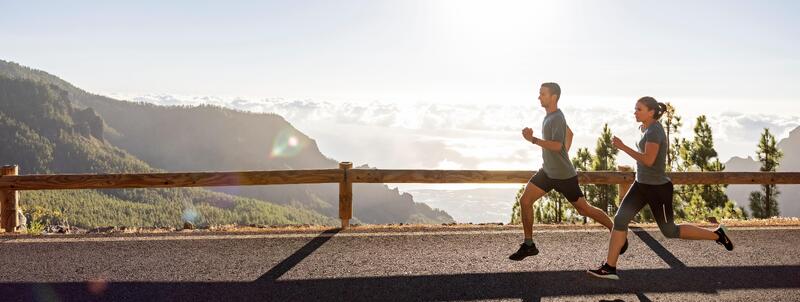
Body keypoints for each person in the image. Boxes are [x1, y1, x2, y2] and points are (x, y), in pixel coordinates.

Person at [587, 96, 734, 280]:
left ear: (651, 112)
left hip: (658, 189)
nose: (635, 112)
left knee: (670, 231)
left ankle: (718, 235)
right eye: (635, 109)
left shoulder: (655, 131)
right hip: (641, 185)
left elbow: (648, 160)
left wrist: (623, 147)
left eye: (639, 109)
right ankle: (610, 267)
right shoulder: (644, 128)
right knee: (620, 219)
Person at [511, 82, 628, 261]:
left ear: (554, 97)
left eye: (542, 94)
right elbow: (570, 135)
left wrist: (533, 140)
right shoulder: (549, 116)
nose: (539, 97)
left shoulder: (557, 117)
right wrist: (561, 156)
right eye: (539, 93)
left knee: (584, 209)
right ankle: (529, 245)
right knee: (525, 200)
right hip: (548, 172)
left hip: (564, 176)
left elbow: (557, 146)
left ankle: (617, 233)